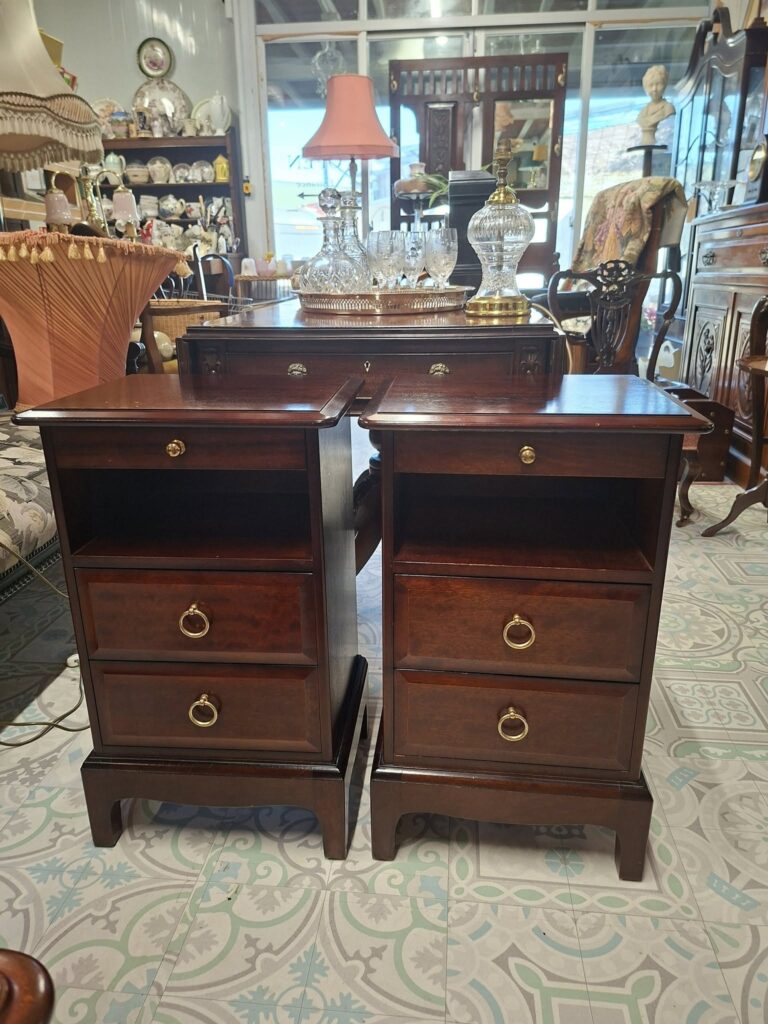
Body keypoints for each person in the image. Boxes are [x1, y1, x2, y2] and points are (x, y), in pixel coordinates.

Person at [637, 65, 675, 145]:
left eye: (658, 84)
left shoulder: (668, 108)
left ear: (664, 85)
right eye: (651, 85)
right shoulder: (643, 112)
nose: (654, 89)